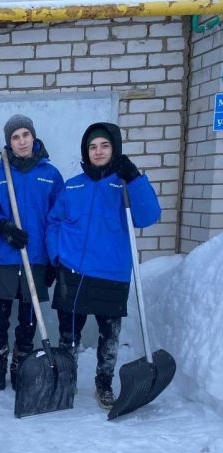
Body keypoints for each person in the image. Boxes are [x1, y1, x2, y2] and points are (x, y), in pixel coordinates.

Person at [46, 122, 161, 409]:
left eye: (104, 146)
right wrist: (56, 255)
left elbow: (148, 217)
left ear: (115, 149)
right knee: (69, 334)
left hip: (111, 273)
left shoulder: (123, 184)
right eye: (92, 147)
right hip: (72, 271)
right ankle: (67, 381)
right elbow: (53, 222)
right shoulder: (73, 185)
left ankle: (103, 383)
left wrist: (135, 179)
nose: (98, 151)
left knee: (109, 336)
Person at [0, 115, 64, 391]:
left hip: (37, 257)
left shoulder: (50, 175)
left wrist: (54, 259)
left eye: (25, 135)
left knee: (28, 320)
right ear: (9, 142)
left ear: (33, 137)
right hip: (4, 259)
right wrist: (3, 227)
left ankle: (19, 366)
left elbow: (58, 217)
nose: (21, 142)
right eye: (15, 137)